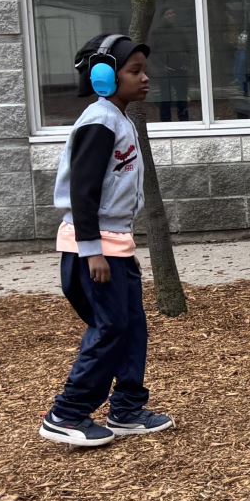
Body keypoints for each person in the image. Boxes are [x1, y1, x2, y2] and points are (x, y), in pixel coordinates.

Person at [38, 32, 174, 448]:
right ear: (104, 77)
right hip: (92, 249)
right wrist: (92, 250)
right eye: (135, 71)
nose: (145, 78)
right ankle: (66, 413)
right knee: (111, 328)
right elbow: (84, 192)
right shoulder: (98, 122)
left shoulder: (118, 119)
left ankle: (127, 409)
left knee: (132, 328)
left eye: (144, 70)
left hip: (116, 244)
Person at [150, 5, 193, 122]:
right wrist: (161, 66)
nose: (171, 16)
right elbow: (152, 53)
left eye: (172, 13)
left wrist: (186, 64)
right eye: (168, 14)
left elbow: (188, 50)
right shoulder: (157, 33)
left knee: (182, 99)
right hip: (165, 73)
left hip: (180, 71)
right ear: (162, 17)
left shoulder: (180, 32)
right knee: (165, 99)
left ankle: (184, 122)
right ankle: (166, 123)